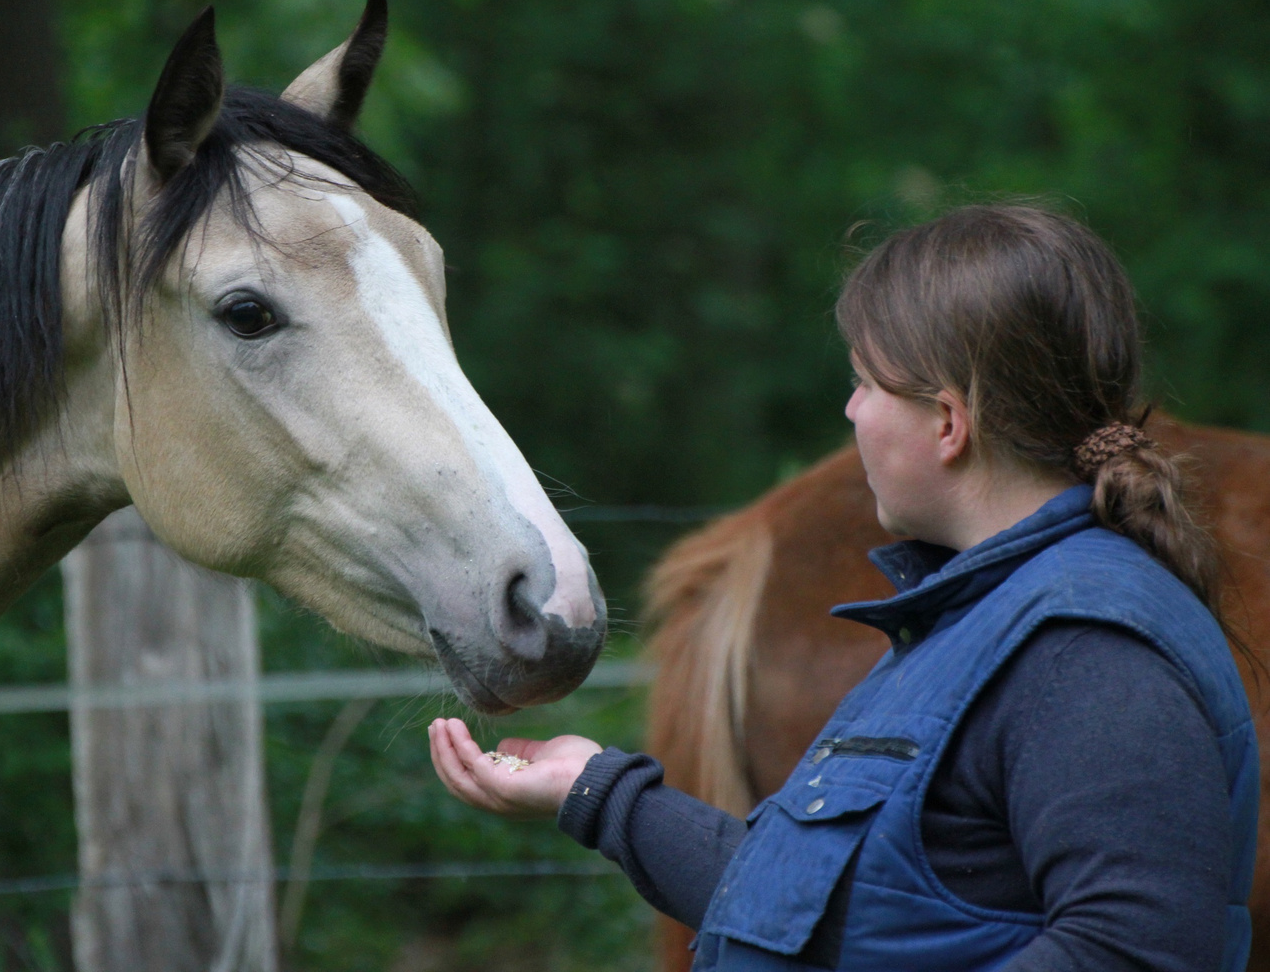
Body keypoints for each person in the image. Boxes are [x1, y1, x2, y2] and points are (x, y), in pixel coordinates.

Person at [429, 204, 1259, 972]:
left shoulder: (1087, 650)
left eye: (866, 382)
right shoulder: (974, 623)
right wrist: (596, 792)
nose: (852, 410)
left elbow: (1134, 952)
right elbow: (820, 906)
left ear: (947, 423)